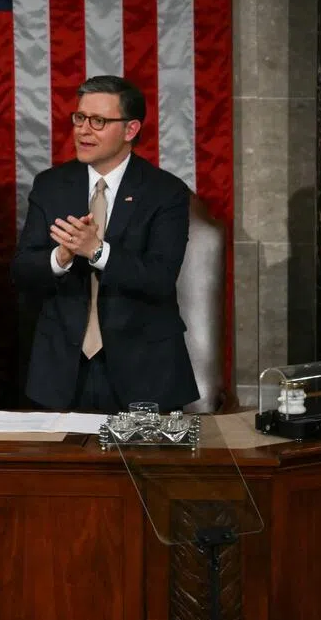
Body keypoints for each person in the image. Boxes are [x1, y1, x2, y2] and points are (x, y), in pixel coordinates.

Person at [12, 75, 199, 413]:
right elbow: (23, 271)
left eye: (98, 121)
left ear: (130, 130)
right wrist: (62, 256)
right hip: (61, 371)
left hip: (143, 370)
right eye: (80, 118)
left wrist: (97, 252)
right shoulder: (51, 185)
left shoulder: (165, 192)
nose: (84, 130)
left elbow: (159, 278)